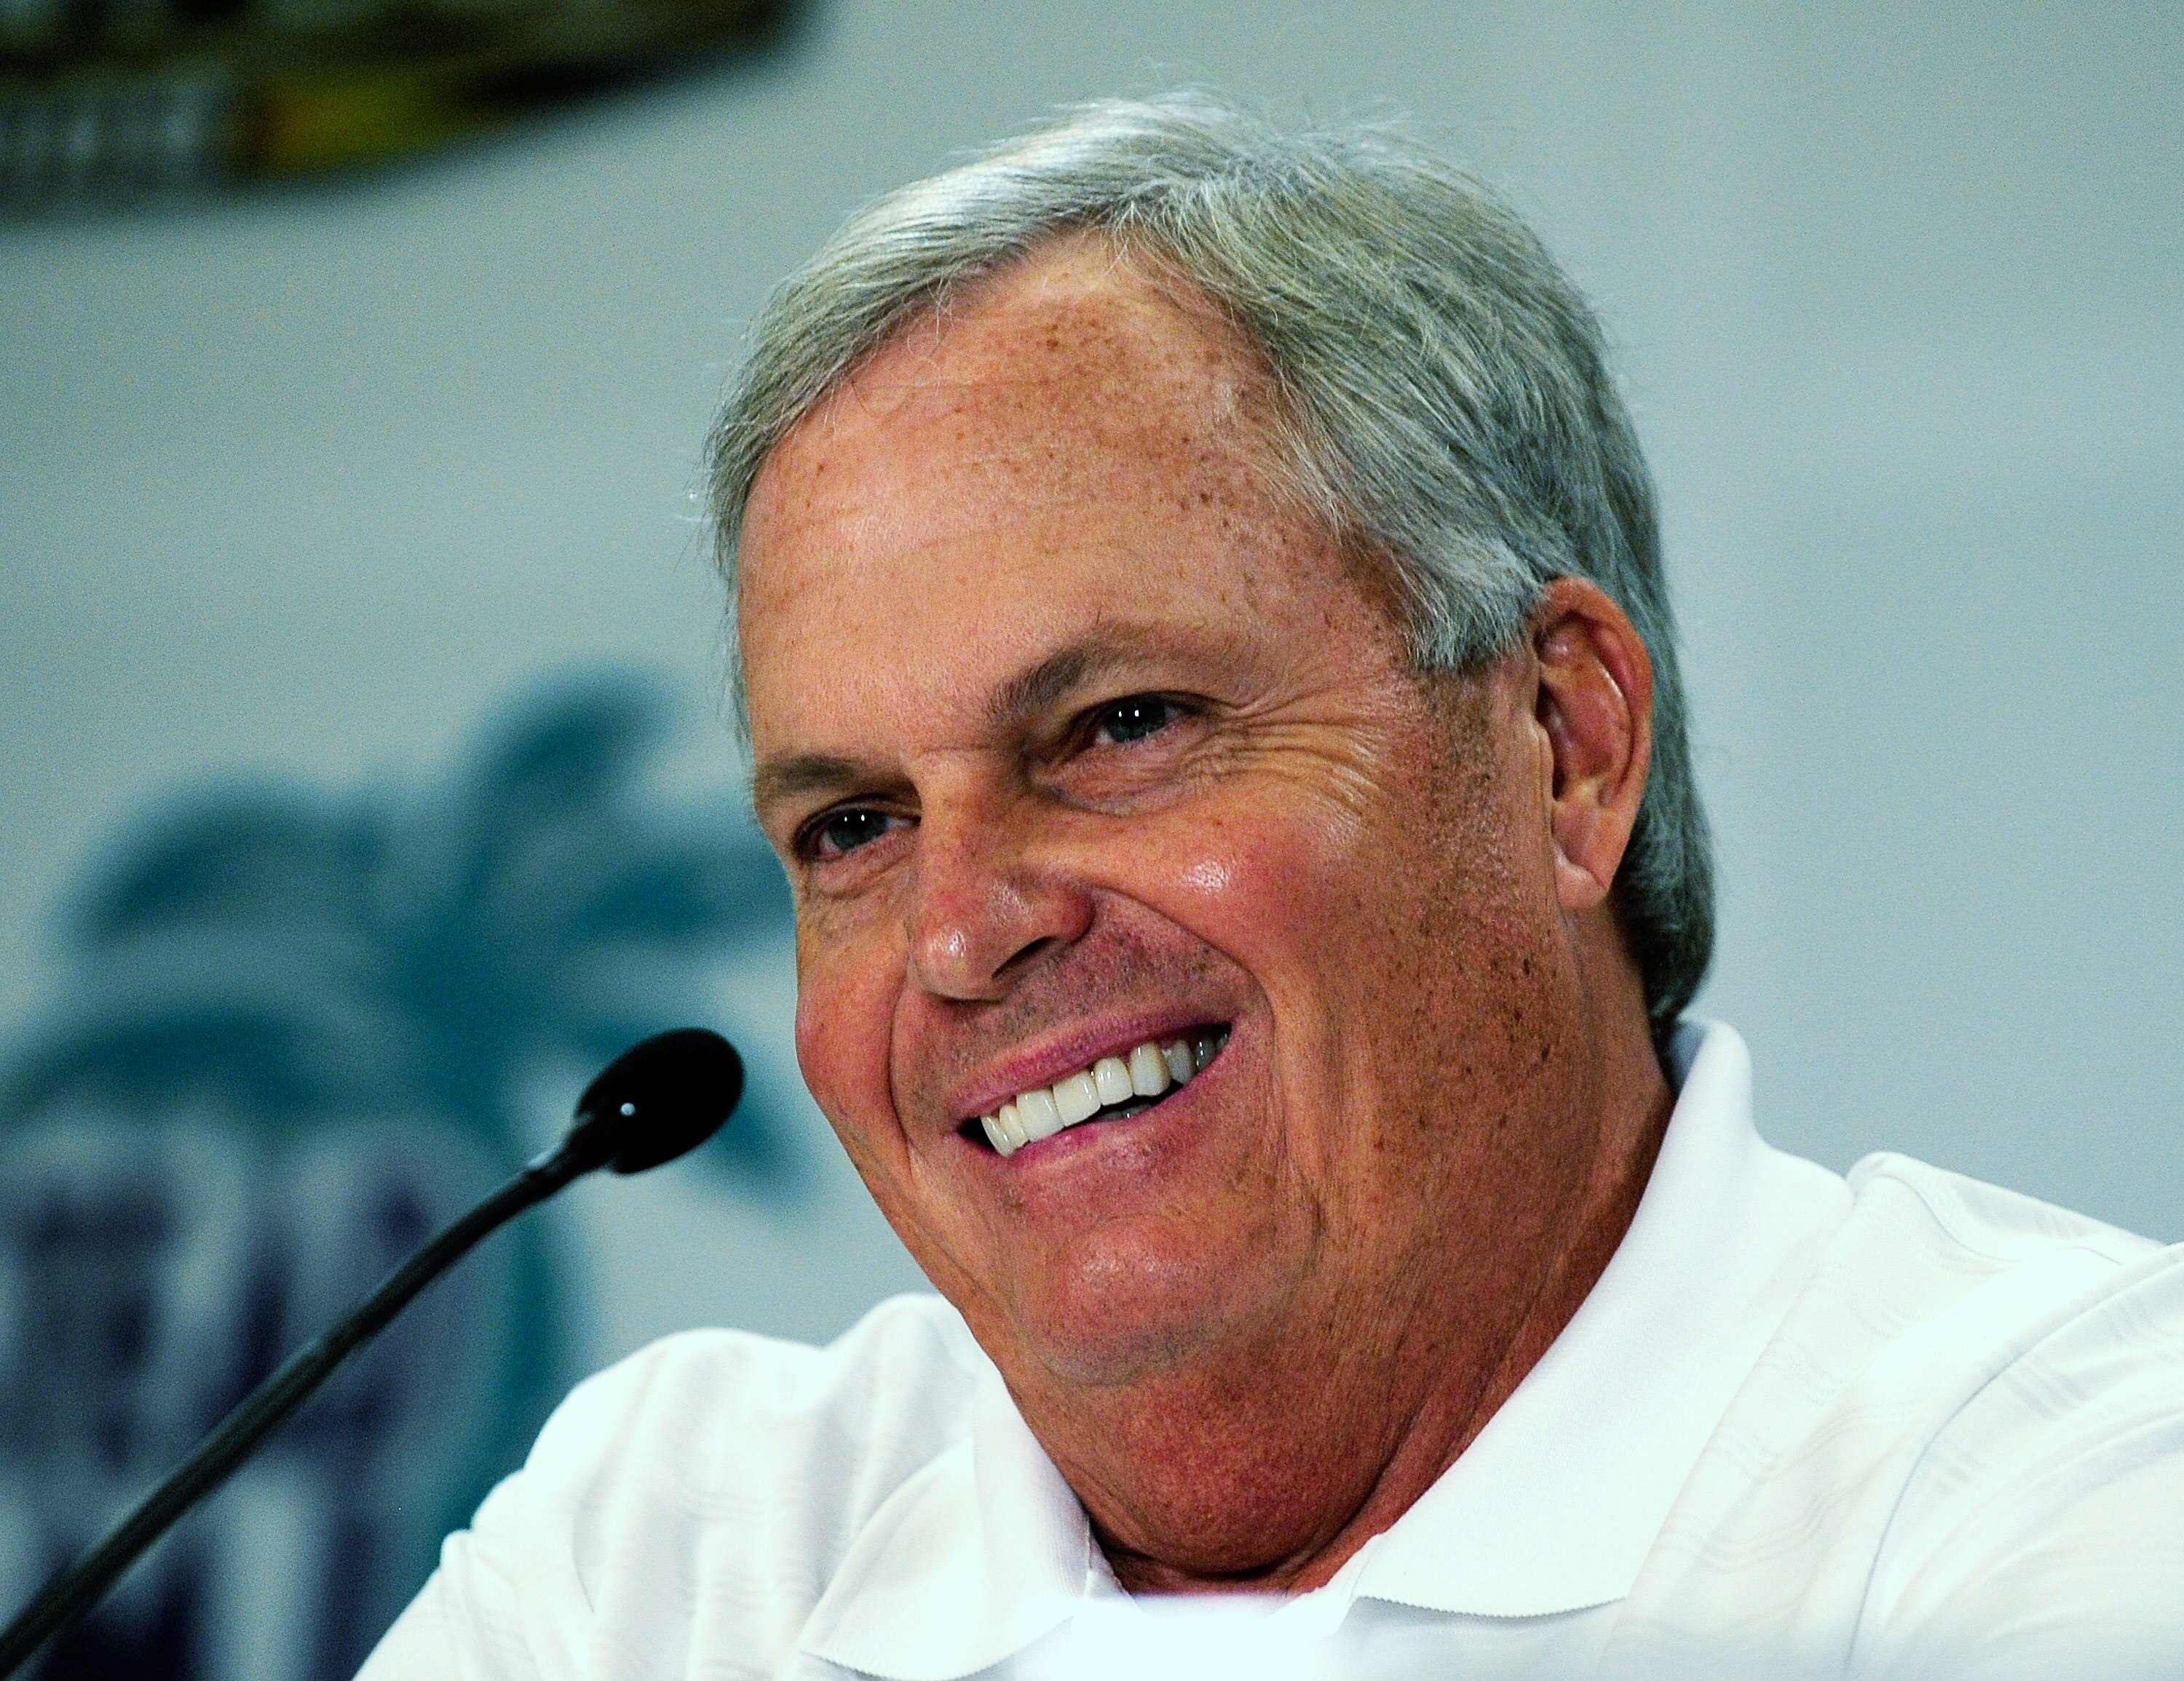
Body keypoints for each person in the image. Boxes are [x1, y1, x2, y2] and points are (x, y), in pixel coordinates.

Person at [359, 92, 2184, 1680]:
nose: (965, 931)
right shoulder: (662, 1567)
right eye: (853, 826)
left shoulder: (2067, 1477)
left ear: (1564, 744)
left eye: (1122, 724)